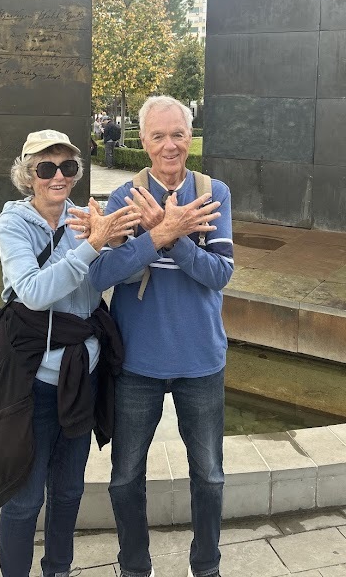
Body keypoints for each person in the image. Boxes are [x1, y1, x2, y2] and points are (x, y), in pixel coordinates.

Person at [0, 130, 141, 577]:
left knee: (68, 491)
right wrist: (94, 243)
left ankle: (58, 570)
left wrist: (132, 240)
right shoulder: (14, 224)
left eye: (66, 167)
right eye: (46, 168)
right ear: (28, 175)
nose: (57, 176)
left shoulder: (85, 219)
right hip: (32, 383)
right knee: (23, 500)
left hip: (82, 376)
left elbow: (99, 278)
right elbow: (33, 292)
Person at [88, 96, 234, 577]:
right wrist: (154, 237)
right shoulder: (125, 197)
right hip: (136, 363)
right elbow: (101, 275)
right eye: (158, 136)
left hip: (201, 360)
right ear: (144, 142)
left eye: (178, 134)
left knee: (209, 477)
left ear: (190, 136)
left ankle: (206, 566)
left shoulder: (213, 193)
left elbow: (220, 274)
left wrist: (176, 238)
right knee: (125, 477)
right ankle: (134, 567)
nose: (169, 146)